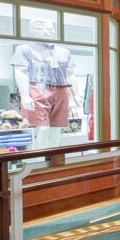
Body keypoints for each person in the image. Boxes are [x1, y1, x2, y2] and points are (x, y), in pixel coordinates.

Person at [11, 18, 75, 149]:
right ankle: (40, 161)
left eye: (49, 28)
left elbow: (70, 74)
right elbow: (20, 71)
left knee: (57, 128)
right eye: (40, 29)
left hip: (61, 89)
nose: (45, 32)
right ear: (32, 31)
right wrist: (25, 95)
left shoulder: (63, 51)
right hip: (38, 88)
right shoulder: (25, 49)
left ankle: (52, 159)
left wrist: (76, 95)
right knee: (41, 128)